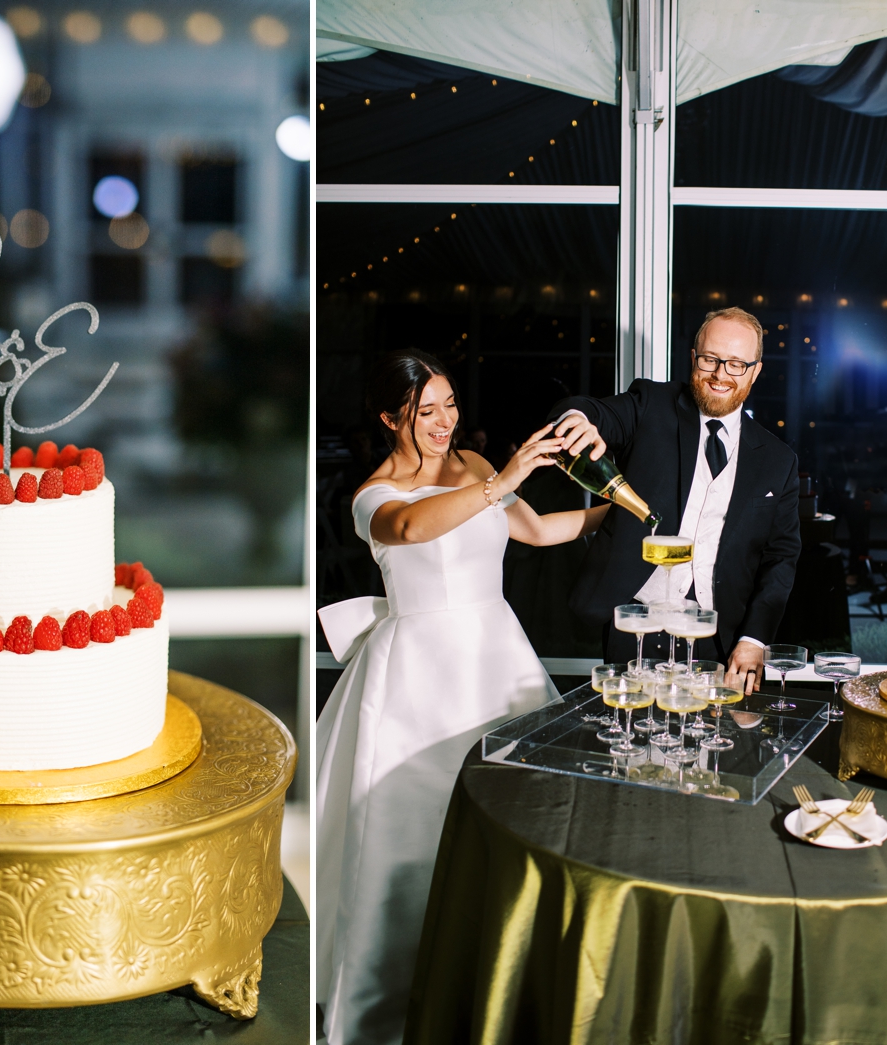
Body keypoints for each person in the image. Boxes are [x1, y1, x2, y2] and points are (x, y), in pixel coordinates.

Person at [316, 350, 607, 1045]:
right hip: (418, 676)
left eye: (449, 404)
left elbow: (536, 530)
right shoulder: (373, 494)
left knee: (517, 823)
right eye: (426, 411)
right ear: (392, 418)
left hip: (495, 656)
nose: (445, 421)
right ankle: (394, 1001)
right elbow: (415, 529)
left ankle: (503, 987)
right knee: (411, 838)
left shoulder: (476, 468)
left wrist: (620, 519)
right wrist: (504, 477)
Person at [551, 306, 801, 694]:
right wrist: (579, 419)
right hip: (636, 623)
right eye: (710, 359)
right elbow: (595, 412)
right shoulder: (651, 404)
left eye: (736, 364)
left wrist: (754, 639)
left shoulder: (778, 460)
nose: (721, 374)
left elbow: (780, 559)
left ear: (755, 371)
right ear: (693, 359)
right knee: (630, 739)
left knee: (705, 745)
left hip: (717, 634)